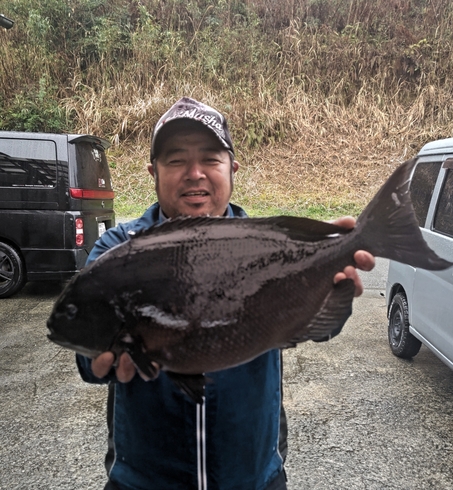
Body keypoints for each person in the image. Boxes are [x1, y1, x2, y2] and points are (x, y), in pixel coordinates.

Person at [76, 97, 375, 490]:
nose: (195, 173)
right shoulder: (117, 250)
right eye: (177, 159)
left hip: (254, 479)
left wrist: (328, 287)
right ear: (154, 171)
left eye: (211, 159)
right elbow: (87, 352)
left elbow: (318, 330)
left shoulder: (272, 244)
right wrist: (97, 355)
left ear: (232, 168)